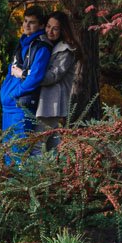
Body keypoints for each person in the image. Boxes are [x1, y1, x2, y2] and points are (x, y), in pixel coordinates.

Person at [0, 6, 52, 161]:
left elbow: (35, 77)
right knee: (8, 152)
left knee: (18, 152)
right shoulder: (23, 43)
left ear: (41, 25)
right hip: (9, 106)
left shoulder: (41, 47)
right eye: (25, 21)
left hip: (21, 106)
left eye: (32, 23)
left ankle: (19, 184)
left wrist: (15, 92)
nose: (27, 25)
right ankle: (9, 184)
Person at [38, 11, 80, 151]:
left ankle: (31, 173)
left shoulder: (66, 50)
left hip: (50, 105)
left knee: (36, 145)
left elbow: (53, 76)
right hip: (47, 104)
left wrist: (28, 76)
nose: (50, 31)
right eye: (48, 26)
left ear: (63, 30)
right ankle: (61, 170)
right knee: (53, 146)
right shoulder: (50, 45)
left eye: (55, 28)